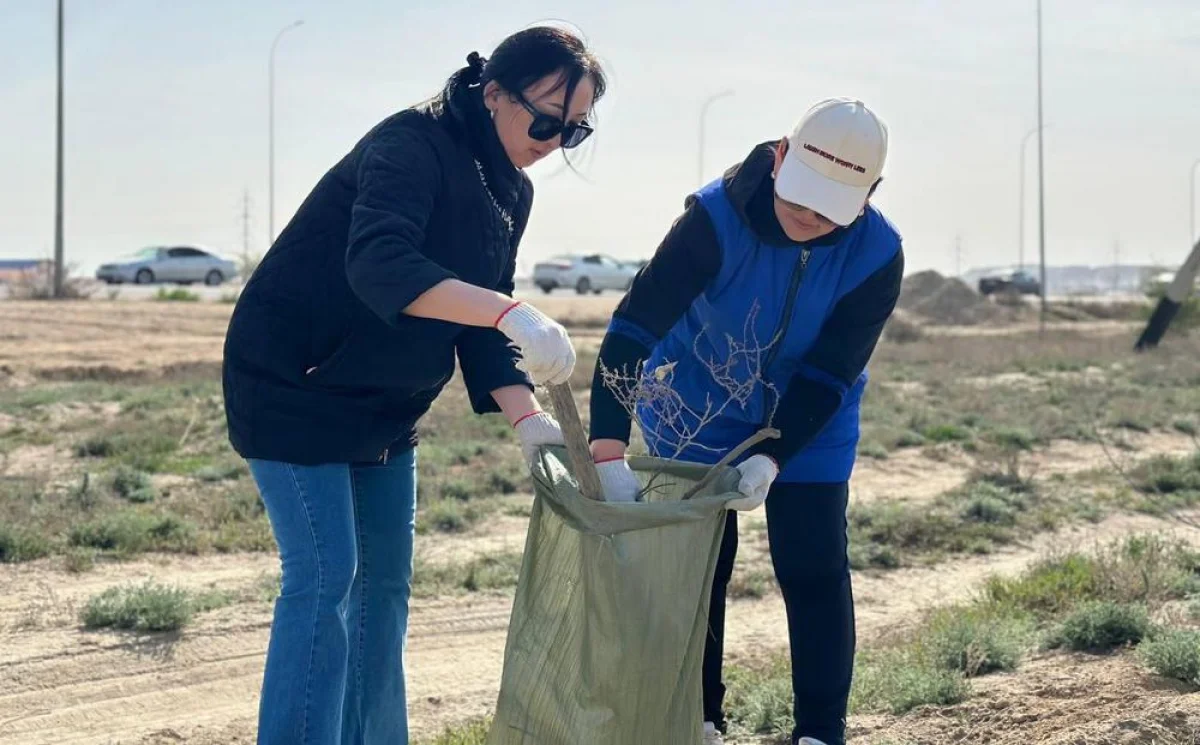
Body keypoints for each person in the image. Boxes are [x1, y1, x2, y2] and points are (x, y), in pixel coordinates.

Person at [222, 27, 606, 745]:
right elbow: (382, 266)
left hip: (386, 402)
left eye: (573, 131)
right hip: (293, 382)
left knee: (386, 587)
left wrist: (527, 419)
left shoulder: (510, 190)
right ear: (493, 92)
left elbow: (481, 316)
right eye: (546, 119)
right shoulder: (411, 144)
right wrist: (511, 310)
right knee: (325, 575)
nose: (553, 141)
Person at [588, 98, 902, 745]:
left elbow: (830, 370)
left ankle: (819, 731)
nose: (810, 219)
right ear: (781, 157)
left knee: (813, 564)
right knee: (698, 570)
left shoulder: (878, 253)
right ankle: (699, 719)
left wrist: (774, 455)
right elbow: (631, 329)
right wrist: (608, 450)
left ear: (868, 194)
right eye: (801, 199)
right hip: (696, 406)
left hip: (810, 422)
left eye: (830, 210)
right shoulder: (713, 218)